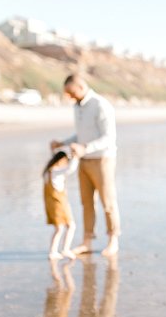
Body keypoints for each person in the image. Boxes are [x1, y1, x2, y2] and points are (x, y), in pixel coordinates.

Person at [51, 75, 121, 257]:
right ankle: (87, 242)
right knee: (86, 203)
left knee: (108, 202)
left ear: (81, 87)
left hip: (102, 159)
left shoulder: (101, 105)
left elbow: (109, 138)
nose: (69, 97)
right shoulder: (77, 106)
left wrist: (86, 148)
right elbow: (82, 135)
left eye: (71, 92)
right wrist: (63, 143)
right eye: (67, 94)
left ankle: (113, 240)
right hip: (83, 159)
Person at [43, 148, 79, 260]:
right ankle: (63, 250)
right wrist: (76, 157)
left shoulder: (47, 172)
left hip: (51, 204)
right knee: (68, 226)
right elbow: (70, 169)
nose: (66, 162)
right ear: (61, 160)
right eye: (65, 160)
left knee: (60, 228)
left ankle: (55, 250)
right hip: (59, 203)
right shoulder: (55, 171)